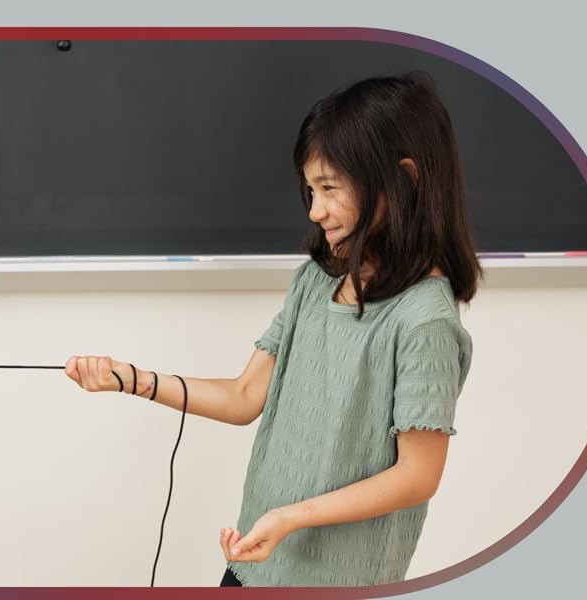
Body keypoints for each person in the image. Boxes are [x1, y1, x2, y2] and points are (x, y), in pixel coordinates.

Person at [65, 72, 480, 586]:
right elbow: (244, 395)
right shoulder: (313, 283)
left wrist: (291, 517)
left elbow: (418, 475)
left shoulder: (424, 319)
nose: (315, 209)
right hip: (257, 561)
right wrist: (132, 379)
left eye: (330, 188)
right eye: (310, 189)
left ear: (403, 180)